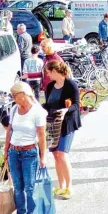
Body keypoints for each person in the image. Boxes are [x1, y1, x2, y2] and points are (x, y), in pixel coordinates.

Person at [4, 81, 47, 214]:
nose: (13, 98)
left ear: (22, 95)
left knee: (29, 187)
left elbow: (41, 136)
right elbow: (9, 130)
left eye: (13, 95)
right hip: (14, 152)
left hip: (29, 152)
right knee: (18, 186)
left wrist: (43, 156)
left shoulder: (37, 111)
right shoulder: (15, 109)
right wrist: (6, 150)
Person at [44, 60, 83, 199]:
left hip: (67, 123)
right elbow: (47, 105)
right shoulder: (50, 86)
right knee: (55, 154)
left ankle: (69, 186)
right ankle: (61, 186)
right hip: (53, 124)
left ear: (55, 71)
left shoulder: (70, 84)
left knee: (62, 154)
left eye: (48, 72)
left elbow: (77, 104)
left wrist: (66, 110)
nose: (47, 75)